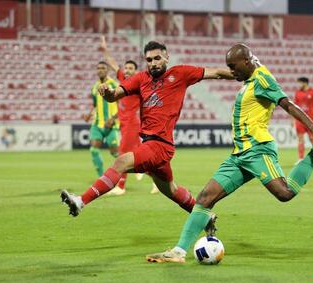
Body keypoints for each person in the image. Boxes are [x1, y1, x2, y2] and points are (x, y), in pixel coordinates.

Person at [145, 44, 313, 263]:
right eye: (228, 68)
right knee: (205, 198)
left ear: (246, 61)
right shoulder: (250, 77)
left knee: (285, 193)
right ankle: (179, 252)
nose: (231, 72)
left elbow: (287, 103)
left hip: (257, 150)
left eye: (233, 67)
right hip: (239, 155)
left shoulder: (263, 79)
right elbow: (254, 62)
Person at [60, 41, 234, 232]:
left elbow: (216, 72)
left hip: (159, 145)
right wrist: (107, 93)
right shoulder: (141, 78)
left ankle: (81, 201)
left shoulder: (181, 73)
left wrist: (245, 75)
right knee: (171, 190)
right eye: (149, 60)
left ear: (166, 57)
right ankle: (206, 218)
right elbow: (116, 94)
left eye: (157, 58)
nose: (153, 63)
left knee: (121, 162)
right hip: (154, 145)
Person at [100, 36, 158, 195]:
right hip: (124, 124)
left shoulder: (139, 84)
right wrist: (104, 49)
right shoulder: (122, 79)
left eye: (131, 69)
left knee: (123, 155)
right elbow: (111, 63)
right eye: (126, 68)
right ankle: (157, 182)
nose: (127, 71)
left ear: (136, 71)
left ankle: (121, 186)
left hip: (132, 124)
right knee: (139, 158)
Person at [82, 61, 121, 189]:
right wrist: (89, 115)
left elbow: (123, 104)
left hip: (112, 125)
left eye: (103, 68)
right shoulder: (94, 87)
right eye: (98, 68)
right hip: (97, 124)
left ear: (108, 70)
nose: (100, 70)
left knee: (115, 154)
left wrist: (114, 117)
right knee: (93, 150)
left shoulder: (114, 85)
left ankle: (122, 180)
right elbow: (95, 105)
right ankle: (102, 179)